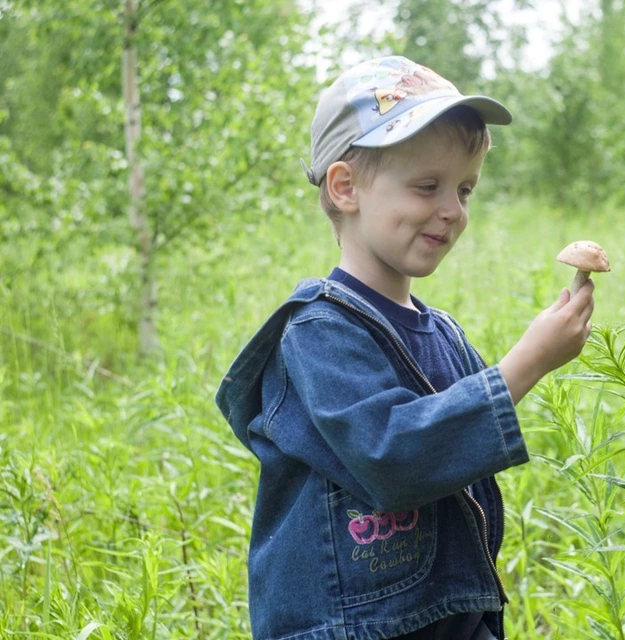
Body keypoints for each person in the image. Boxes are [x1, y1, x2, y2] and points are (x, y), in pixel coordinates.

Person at [216, 56, 595, 640]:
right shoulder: (318, 332)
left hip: (448, 615)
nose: (453, 210)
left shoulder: (439, 331)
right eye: (428, 186)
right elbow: (391, 455)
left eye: (465, 189)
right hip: (354, 627)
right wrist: (526, 363)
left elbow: (458, 451)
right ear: (346, 188)